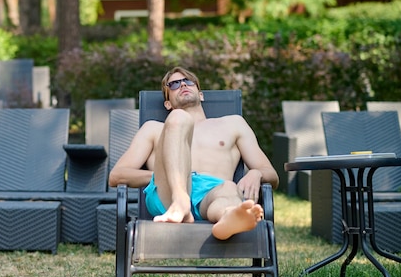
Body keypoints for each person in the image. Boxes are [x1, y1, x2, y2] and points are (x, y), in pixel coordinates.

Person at [108, 66, 279, 240]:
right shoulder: (153, 129)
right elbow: (117, 176)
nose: (182, 85)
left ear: (201, 94)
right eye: (174, 84)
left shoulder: (233, 124)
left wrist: (256, 173)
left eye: (188, 81)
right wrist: (170, 174)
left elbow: (272, 175)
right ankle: (180, 201)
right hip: (166, 195)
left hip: (212, 193)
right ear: (168, 103)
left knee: (229, 188)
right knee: (179, 118)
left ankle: (227, 218)